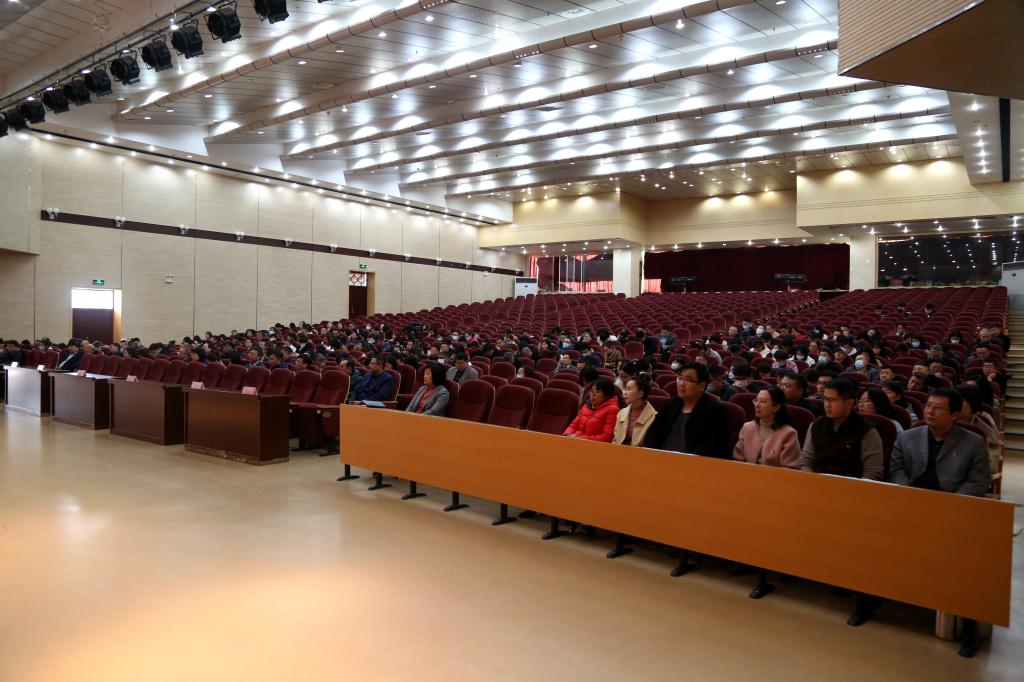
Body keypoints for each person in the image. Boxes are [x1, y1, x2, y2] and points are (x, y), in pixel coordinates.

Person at [888, 387, 992, 657]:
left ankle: (968, 623)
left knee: (970, 558)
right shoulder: (908, 437)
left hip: (953, 509)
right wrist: (909, 497)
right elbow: (896, 470)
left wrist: (950, 506)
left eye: (938, 408)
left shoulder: (973, 442)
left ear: (955, 415)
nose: (930, 411)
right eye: (928, 406)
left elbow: (979, 481)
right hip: (912, 505)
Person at [799, 378, 884, 481]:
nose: (827, 405)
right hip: (817, 481)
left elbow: (872, 471)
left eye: (832, 400)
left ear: (849, 403)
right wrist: (811, 479)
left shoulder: (866, 430)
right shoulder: (816, 424)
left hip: (852, 485)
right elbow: (806, 460)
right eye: (825, 399)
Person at [644, 362, 731, 458]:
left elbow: (713, 447)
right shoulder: (670, 405)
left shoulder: (716, 411)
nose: (681, 384)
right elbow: (652, 434)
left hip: (694, 463)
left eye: (689, 380)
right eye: (680, 378)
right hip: (661, 458)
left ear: (702, 386)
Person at [732, 387, 800, 468]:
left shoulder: (789, 433)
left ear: (776, 407)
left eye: (762, 401)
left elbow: (788, 468)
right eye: (756, 400)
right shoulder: (747, 427)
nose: (757, 405)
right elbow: (738, 459)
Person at [956, 383, 1001, 475]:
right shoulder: (944, 422)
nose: (955, 404)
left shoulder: (982, 427)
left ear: (972, 404)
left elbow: (991, 463)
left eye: (961, 401)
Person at [613, 376, 657, 446]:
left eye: (629, 389)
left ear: (640, 394)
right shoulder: (622, 413)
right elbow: (615, 440)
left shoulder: (654, 417)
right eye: (625, 389)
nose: (624, 393)